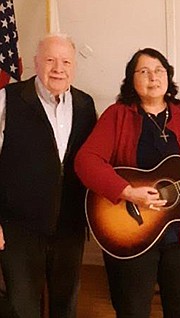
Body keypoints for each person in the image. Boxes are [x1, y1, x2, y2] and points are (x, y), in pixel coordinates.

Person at [75, 47, 180, 318]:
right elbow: (86, 161)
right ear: (131, 79)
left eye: (159, 70)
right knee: (132, 310)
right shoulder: (117, 115)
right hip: (131, 230)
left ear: (168, 77)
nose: (153, 77)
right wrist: (127, 191)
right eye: (143, 71)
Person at [0, 33, 97, 318]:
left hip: (69, 227)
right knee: (23, 308)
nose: (58, 68)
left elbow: (92, 163)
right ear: (35, 62)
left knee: (65, 306)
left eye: (66, 61)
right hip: (18, 228)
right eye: (50, 60)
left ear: (74, 67)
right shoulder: (8, 100)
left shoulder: (85, 104)